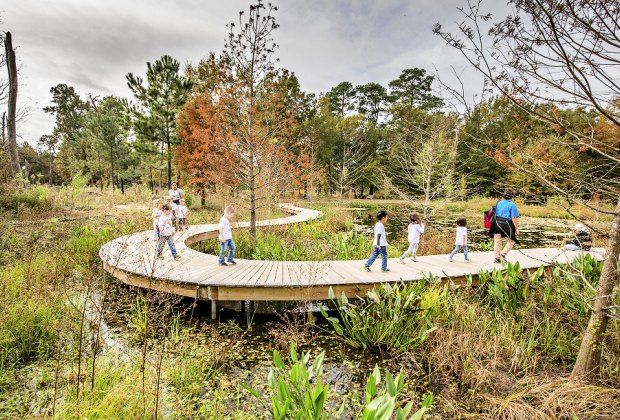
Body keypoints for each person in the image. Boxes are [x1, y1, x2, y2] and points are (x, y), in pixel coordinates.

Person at [489, 189, 520, 264]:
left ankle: (497, 258)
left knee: (497, 241)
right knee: (512, 240)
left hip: (496, 223)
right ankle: (503, 255)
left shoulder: (499, 202)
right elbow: (513, 218)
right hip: (507, 224)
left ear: (504, 195)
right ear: (512, 197)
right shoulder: (512, 205)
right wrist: (517, 228)